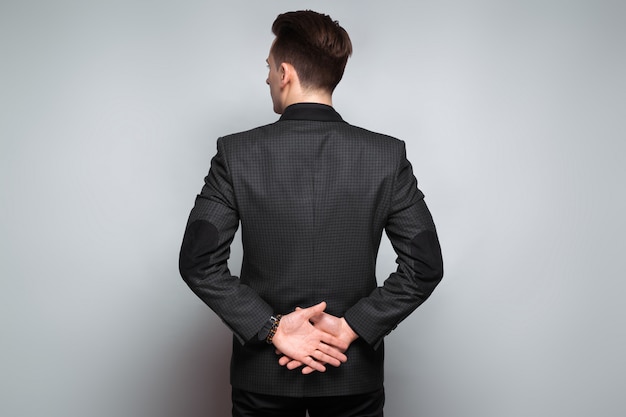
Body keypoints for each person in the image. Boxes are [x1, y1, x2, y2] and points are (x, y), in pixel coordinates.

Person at [179, 10, 443, 417]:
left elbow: (198, 262)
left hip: (263, 378)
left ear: (285, 72)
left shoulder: (237, 155)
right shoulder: (385, 157)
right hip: (350, 373)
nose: (266, 78)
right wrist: (352, 326)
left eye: (268, 68)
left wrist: (273, 328)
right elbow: (424, 265)